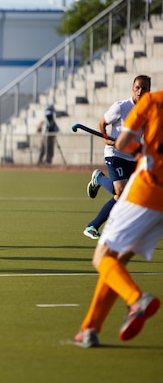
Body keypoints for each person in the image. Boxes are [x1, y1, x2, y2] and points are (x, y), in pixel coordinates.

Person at [73, 89, 162, 348]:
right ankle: (89, 329)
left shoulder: (153, 101)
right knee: (117, 263)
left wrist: (136, 147)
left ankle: (137, 300)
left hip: (147, 191)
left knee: (102, 258)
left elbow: (123, 143)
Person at [83, 75, 151, 240]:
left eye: (144, 88)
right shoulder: (121, 107)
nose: (140, 91)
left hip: (132, 156)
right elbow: (101, 124)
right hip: (114, 154)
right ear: (132, 89)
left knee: (123, 197)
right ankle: (98, 178)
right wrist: (106, 138)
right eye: (137, 87)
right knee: (120, 190)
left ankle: (92, 225)